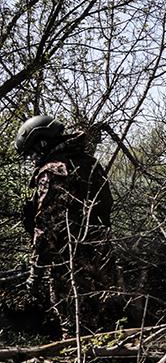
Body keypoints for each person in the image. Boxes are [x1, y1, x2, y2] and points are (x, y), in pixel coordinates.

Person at [14, 114, 116, 335]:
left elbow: (48, 226)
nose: (32, 158)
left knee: (77, 332)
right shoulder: (88, 162)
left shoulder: (53, 171)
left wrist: (36, 271)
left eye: (32, 152)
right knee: (105, 329)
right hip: (102, 259)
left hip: (72, 268)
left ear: (42, 143)